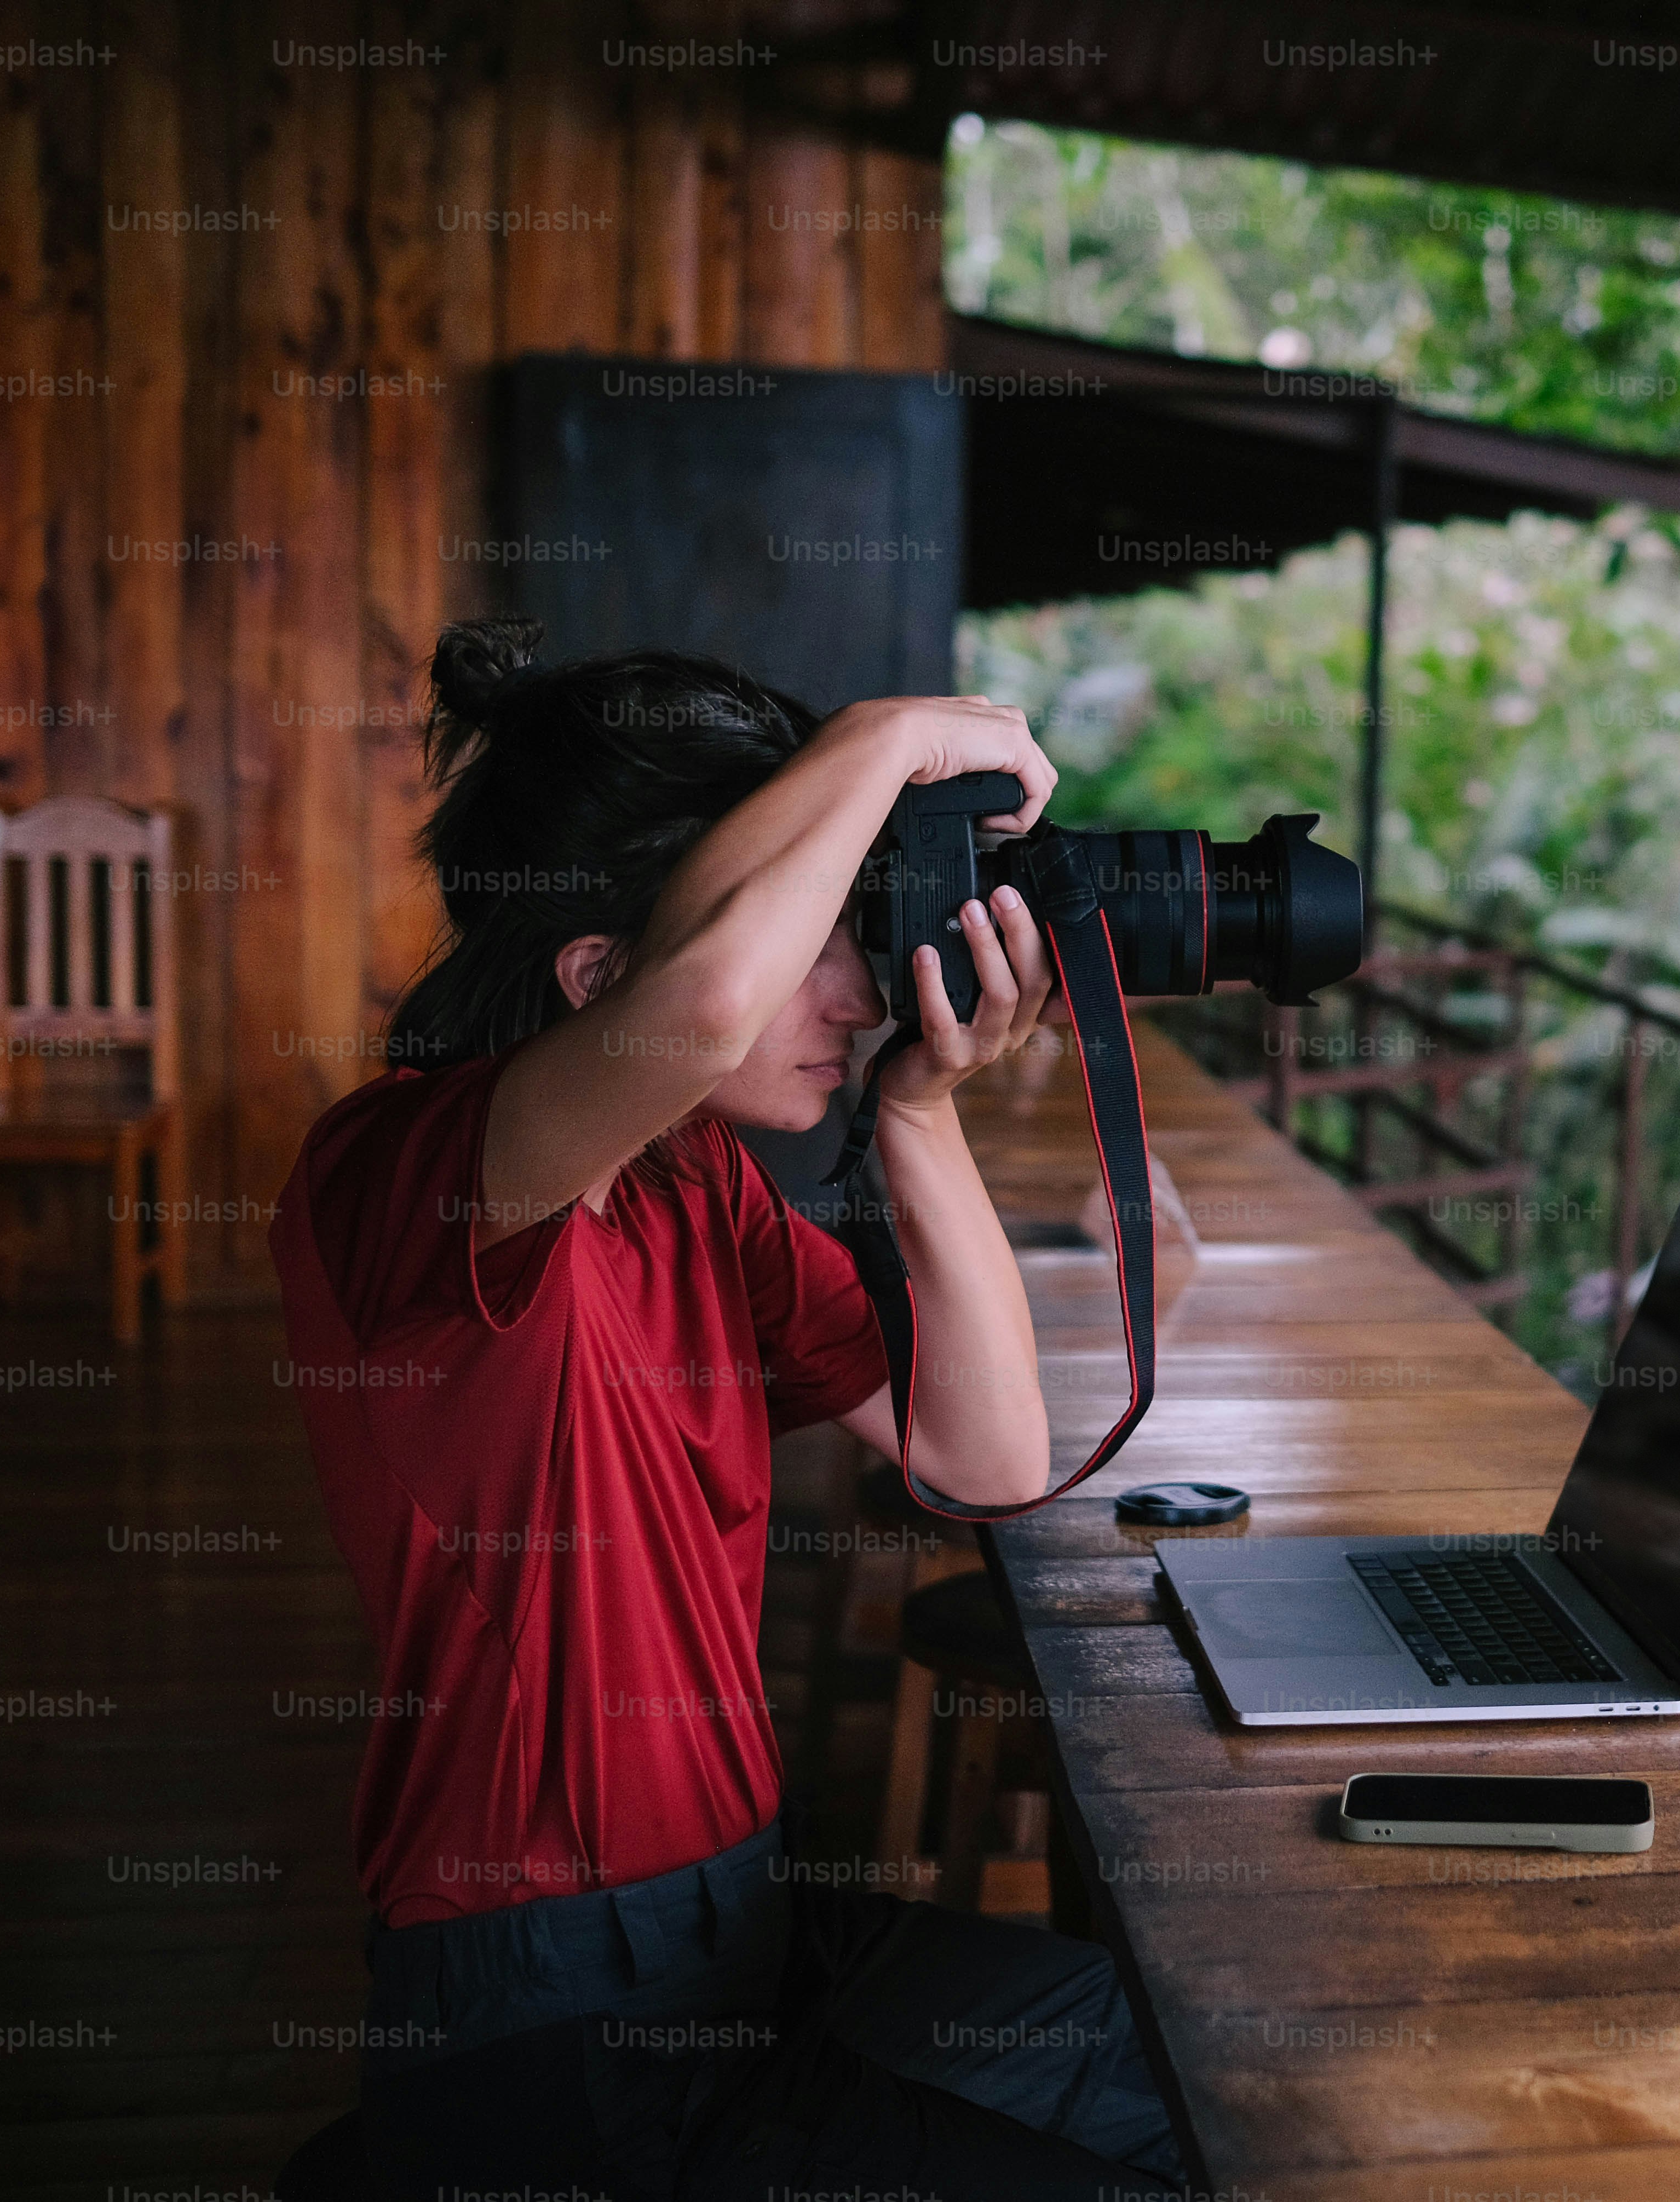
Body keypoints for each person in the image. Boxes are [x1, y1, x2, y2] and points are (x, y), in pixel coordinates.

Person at [268, 618, 1183, 2198]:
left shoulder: (694, 1190)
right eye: (821, 927)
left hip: (744, 1927)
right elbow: (700, 1012)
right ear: (598, 976)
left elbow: (986, 1457)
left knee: (1163, 2055)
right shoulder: (403, 1181)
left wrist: (914, 1107)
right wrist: (893, 734)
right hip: (546, 2010)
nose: (856, 977)